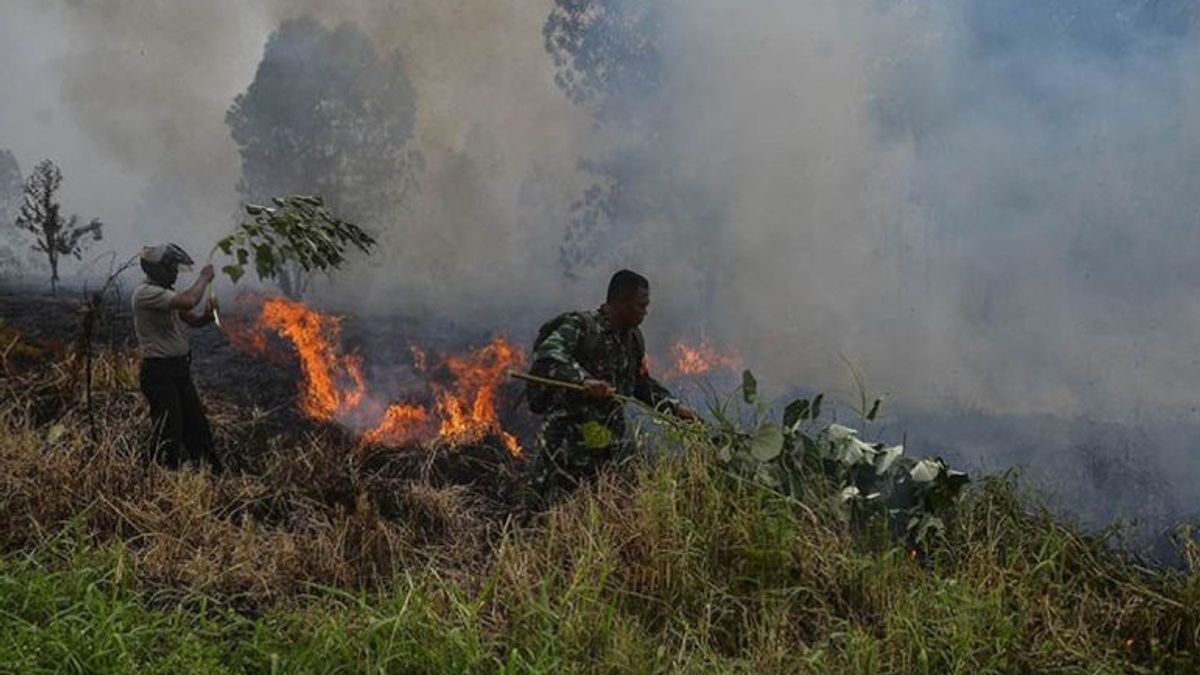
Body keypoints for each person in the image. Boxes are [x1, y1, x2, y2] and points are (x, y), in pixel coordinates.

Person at [526, 269, 697, 502]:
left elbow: (639, 383)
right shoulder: (580, 326)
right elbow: (549, 356)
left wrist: (673, 407)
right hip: (564, 450)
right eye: (640, 306)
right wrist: (583, 380)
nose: (645, 312)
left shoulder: (632, 339)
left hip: (606, 451)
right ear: (620, 302)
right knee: (546, 517)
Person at [131, 243, 221, 471]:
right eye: (171, 268)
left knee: (197, 428)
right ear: (157, 269)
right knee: (169, 431)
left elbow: (190, 317)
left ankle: (211, 475)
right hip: (159, 373)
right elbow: (188, 301)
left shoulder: (164, 293)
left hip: (179, 370)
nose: (174, 273)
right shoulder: (146, 293)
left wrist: (207, 317)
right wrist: (203, 278)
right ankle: (160, 478)